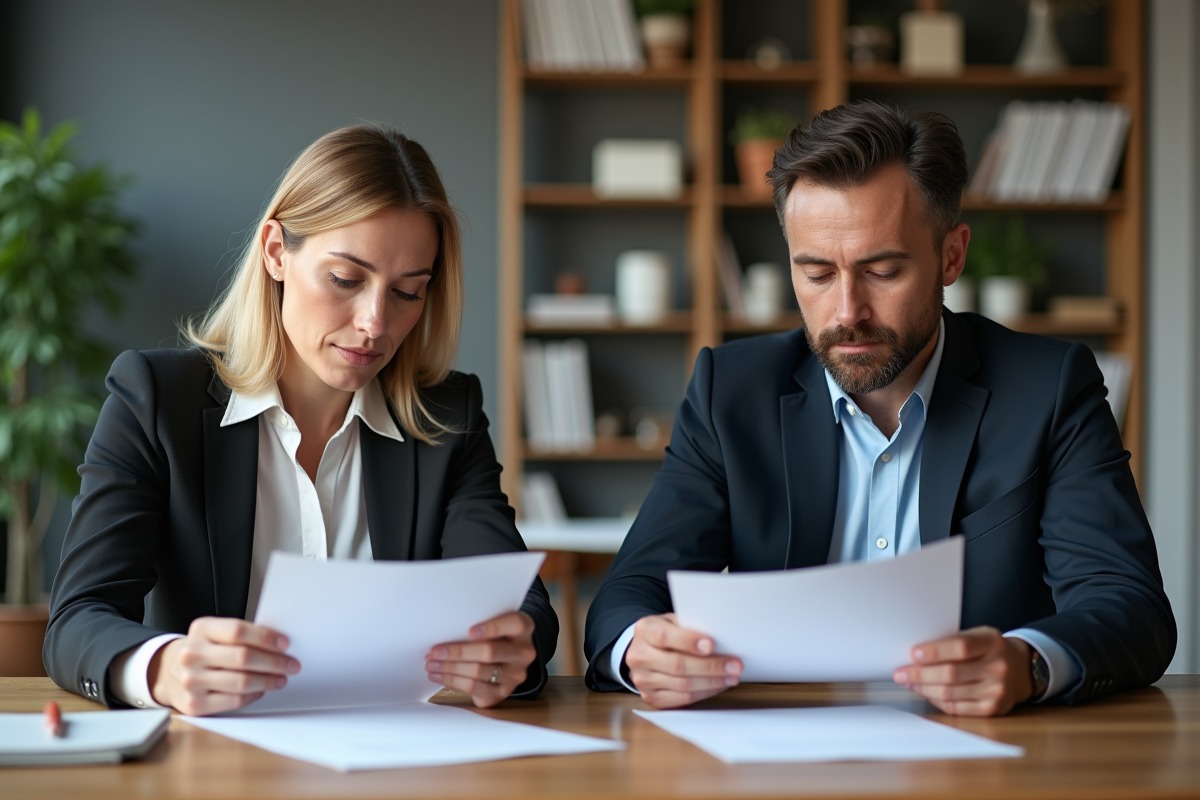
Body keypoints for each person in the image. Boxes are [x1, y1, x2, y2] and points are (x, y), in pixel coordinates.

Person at [583, 101, 1176, 716]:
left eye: (883, 271)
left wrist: (1026, 662)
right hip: (778, 750)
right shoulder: (729, 391)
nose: (847, 313)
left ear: (951, 256)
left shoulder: (1048, 387)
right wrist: (640, 649)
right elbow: (629, 593)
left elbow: (1127, 604)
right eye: (816, 273)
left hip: (987, 755)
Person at [44, 124, 557, 716]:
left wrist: (510, 650)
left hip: (394, 759)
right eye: (346, 279)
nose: (374, 322)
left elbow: (524, 609)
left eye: (407, 293)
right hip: (214, 765)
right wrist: (162, 667)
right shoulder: (156, 400)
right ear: (276, 252)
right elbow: (77, 621)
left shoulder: (447, 416)